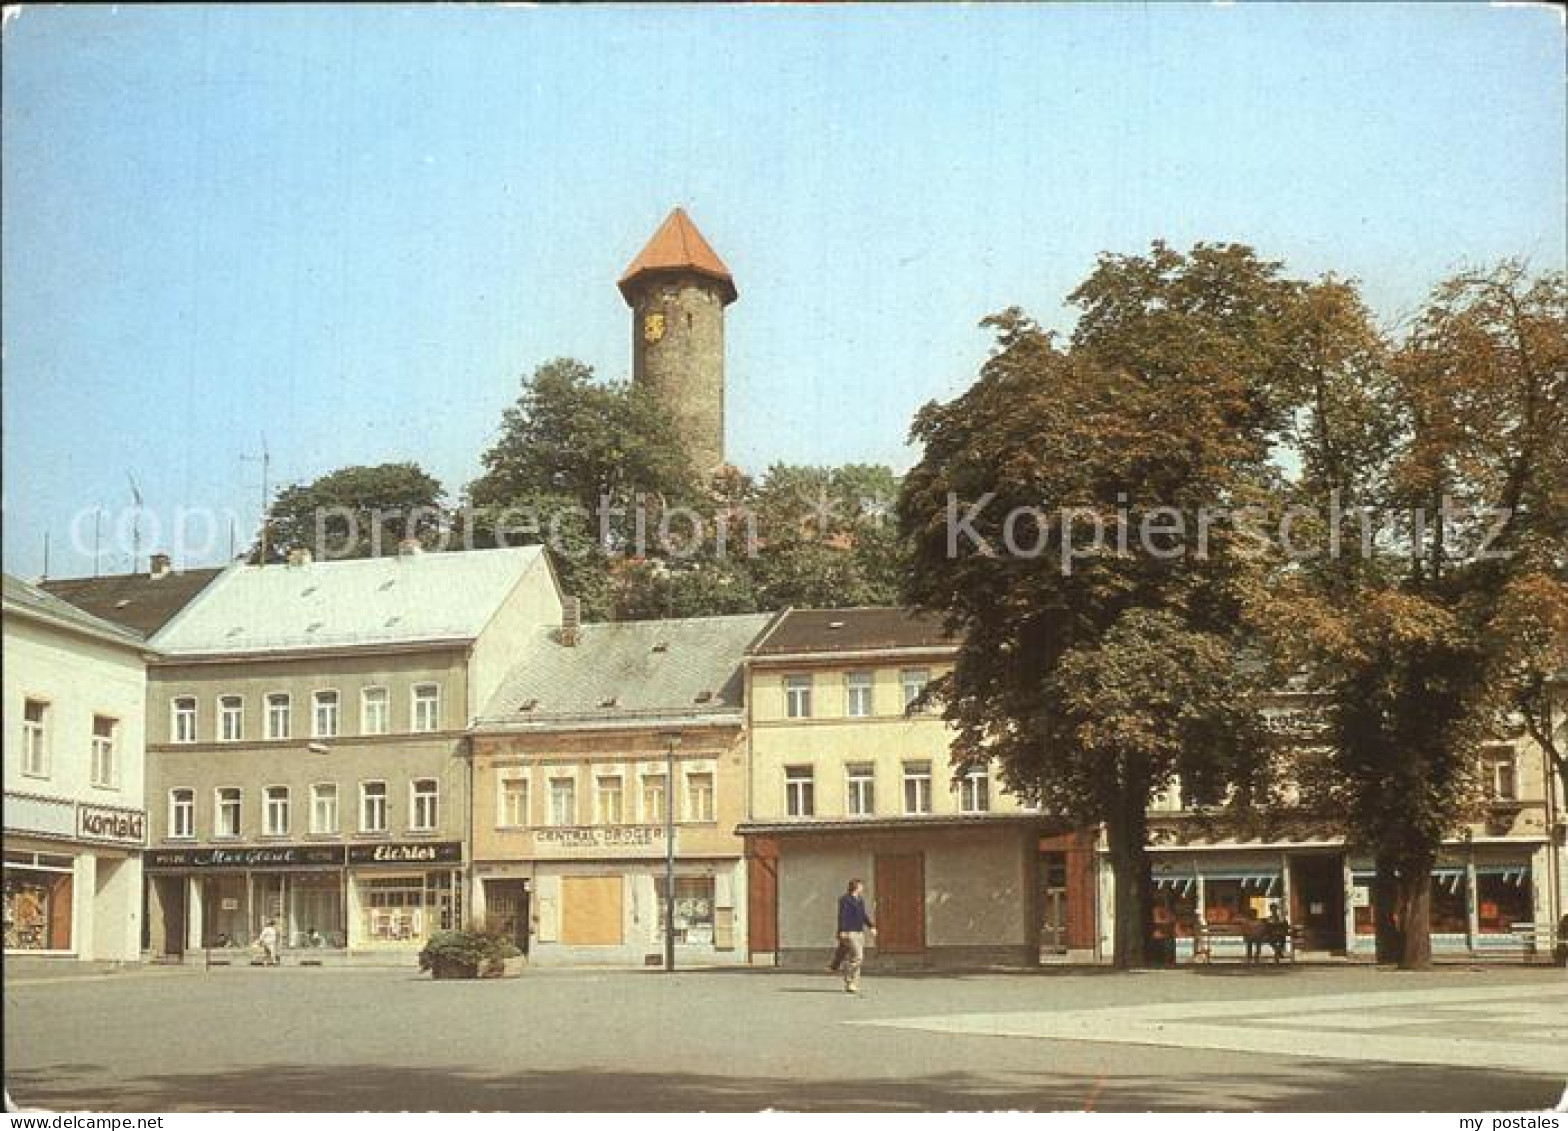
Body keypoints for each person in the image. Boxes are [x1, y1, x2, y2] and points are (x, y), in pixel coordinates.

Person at [835, 879, 876, 994]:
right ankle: (848, 973)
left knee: (855, 958)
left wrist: (871, 926)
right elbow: (842, 915)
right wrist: (842, 930)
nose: (862, 888)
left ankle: (852, 984)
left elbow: (863, 915)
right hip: (850, 932)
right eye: (861, 886)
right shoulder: (845, 900)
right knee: (859, 957)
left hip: (859, 932)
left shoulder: (860, 900)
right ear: (855, 887)